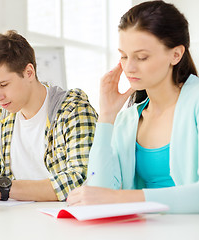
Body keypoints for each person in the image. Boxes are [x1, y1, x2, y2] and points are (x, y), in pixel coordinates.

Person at [67, 1, 199, 213]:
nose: (129, 67)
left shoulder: (195, 103)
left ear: (176, 54)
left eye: (142, 57)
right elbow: (99, 192)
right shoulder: (128, 119)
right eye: (124, 56)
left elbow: (111, 197)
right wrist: (107, 116)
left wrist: (122, 198)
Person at [0, 30, 97, 201]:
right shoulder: (2, 115)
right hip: (17, 218)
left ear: (29, 72)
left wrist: (4, 189)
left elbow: (80, 180)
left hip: (64, 220)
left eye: (3, 84)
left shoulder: (73, 110)